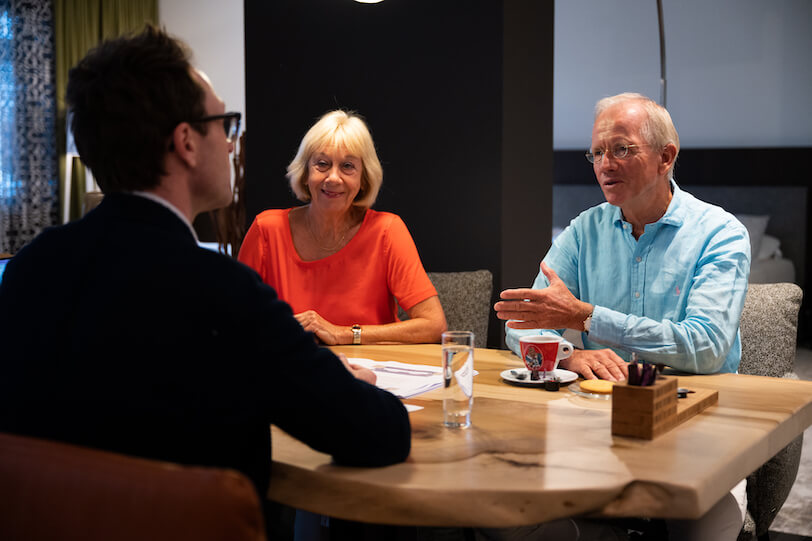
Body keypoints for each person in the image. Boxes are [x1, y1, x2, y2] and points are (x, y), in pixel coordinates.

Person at [0, 25, 410, 530]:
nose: (233, 143)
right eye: (225, 123)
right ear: (187, 143)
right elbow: (378, 433)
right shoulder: (225, 295)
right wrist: (353, 384)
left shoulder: (27, 273)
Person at [494, 93, 750, 540]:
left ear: (665, 157)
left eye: (621, 149)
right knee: (514, 515)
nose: (604, 164)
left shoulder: (720, 234)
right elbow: (525, 323)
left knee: (707, 527)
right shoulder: (582, 231)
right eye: (597, 152)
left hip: (696, 427)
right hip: (592, 427)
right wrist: (566, 354)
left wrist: (587, 317)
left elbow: (706, 347)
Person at [238, 110, 447, 345]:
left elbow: (435, 325)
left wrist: (343, 334)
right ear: (305, 172)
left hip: (373, 375)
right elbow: (233, 321)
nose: (333, 178)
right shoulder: (266, 230)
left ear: (363, 179)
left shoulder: (387, 231)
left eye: (347, 166)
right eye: (322, 164)